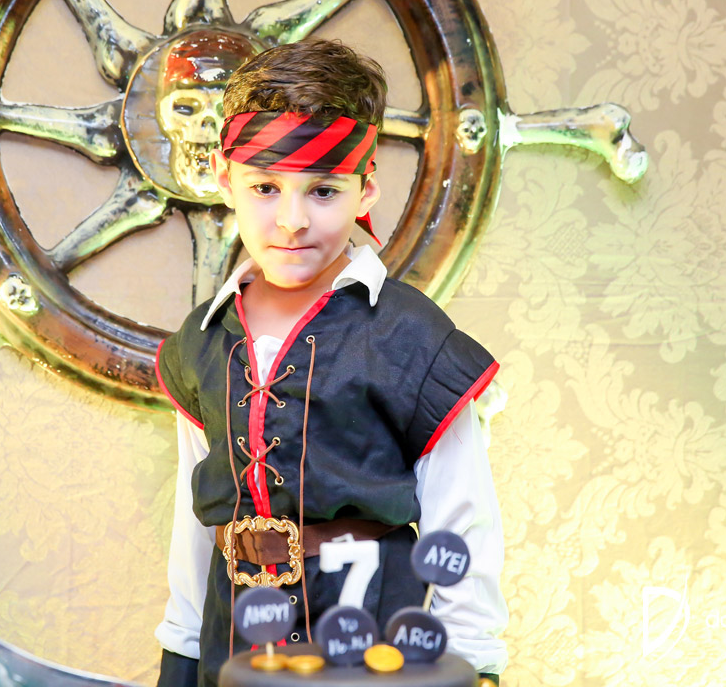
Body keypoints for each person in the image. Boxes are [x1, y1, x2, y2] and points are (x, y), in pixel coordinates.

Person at [154, 39, 507, 687]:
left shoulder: (411, 338)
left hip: (370, 649)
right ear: (226, 179)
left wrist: (472, 666)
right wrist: (180, 658)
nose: (292, 221)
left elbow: (462, 525)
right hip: (230, 648)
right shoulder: (201, 343)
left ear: (365, 186)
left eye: (323, 190)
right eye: (265, 188)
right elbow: (193, 527)